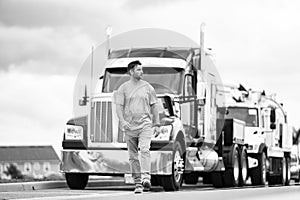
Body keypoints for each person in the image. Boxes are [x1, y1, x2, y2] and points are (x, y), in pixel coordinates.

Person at [114, 60, 160, 194]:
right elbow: (119, 107)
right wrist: (122, 122)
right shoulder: (123, 88)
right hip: (129, 127)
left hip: (145, 125)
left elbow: (154, 106)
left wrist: (156, 124)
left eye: (142, 69)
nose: (142, 72)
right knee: (133, 156)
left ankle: (146, 177)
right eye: (139, 69)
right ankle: (138, 183)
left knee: (145, 149)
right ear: (131, 72)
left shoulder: (148, 87)